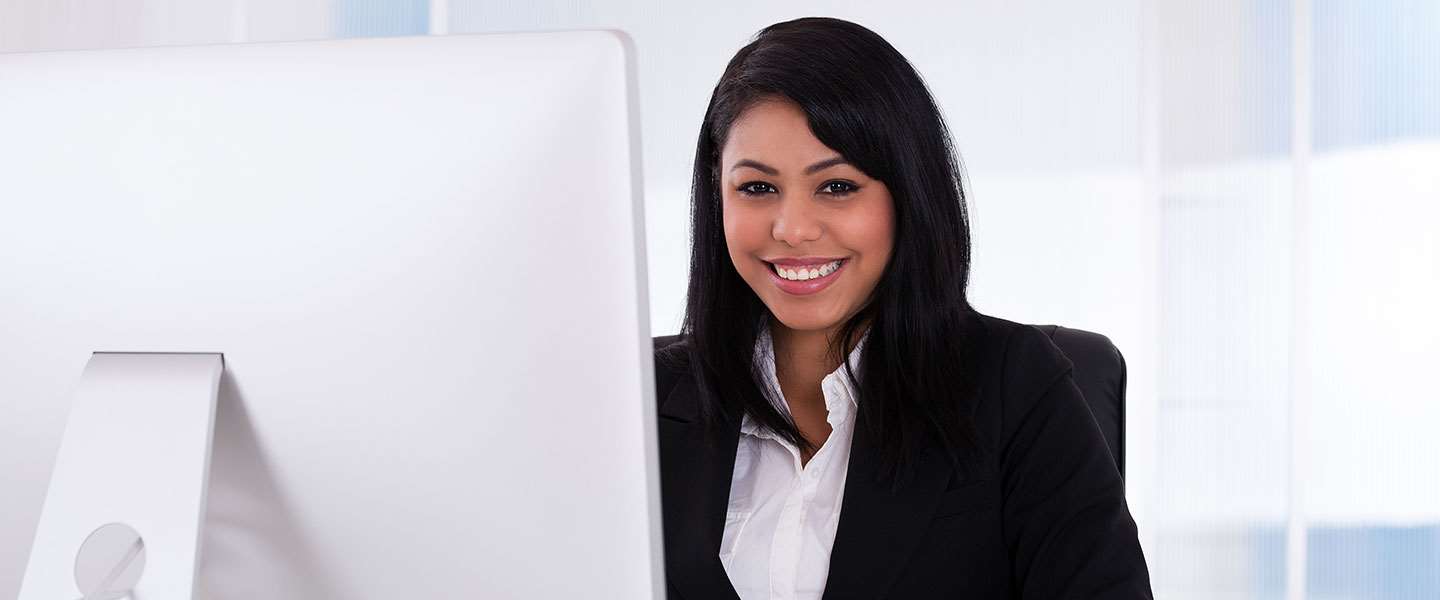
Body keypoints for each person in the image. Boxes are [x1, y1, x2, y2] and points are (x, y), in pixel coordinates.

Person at [652, 16, 1152, 599]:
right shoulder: (637, 404)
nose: (792, 229)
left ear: (908, 194)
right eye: (757, 188)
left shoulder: (1014, 386)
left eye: (837, 186)